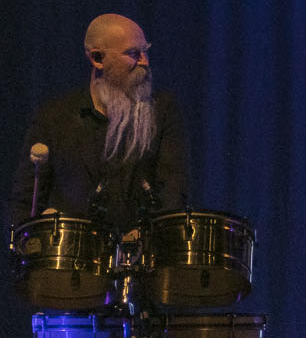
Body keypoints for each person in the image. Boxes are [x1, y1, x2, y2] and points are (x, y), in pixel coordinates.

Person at [10, 13, 187, 234]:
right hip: (68, 257)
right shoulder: (53, 116)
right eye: (133, 53)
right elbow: (26, 198)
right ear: (97, 58)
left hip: (138, 257)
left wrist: (148, 235)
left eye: (145, 52)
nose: (144, 62)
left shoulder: (162, 111)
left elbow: (172, 189)